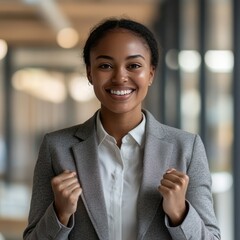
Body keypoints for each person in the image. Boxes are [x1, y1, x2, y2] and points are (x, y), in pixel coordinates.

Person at [23, 18, 221, 240]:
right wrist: (59, 214)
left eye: (134, 66)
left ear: (151, 73)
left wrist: (180, 214)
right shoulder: (56, 147)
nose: (119, 77)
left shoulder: (186, 148)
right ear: (90, 73)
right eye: (105, 66)